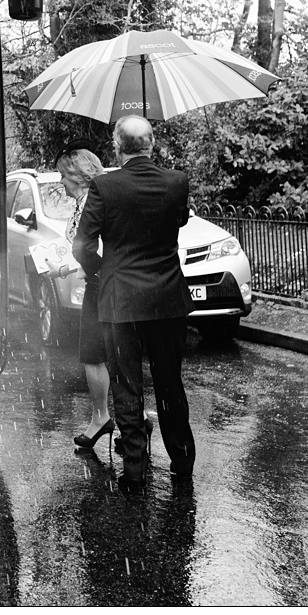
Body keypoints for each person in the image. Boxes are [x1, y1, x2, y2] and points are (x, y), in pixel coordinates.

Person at [73, 115, 195, 495]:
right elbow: (178, 222)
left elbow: (82, 245)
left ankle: (136, 472)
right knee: (169, 383)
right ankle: (183, 463)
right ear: (152, 143)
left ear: (116, 147)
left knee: (127, 385)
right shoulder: (176, 182)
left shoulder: (104, 187)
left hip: (120, 300)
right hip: (166, 300)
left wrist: (100, 273)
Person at [54, 148, 113, 451]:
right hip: (101, 282)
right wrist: (65, 267)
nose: (60, 181)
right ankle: (135, 416)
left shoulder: (92, 202)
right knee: (114, 351)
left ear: (76, 176)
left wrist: (70, 269)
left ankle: (101, 416)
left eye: (63, 175)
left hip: (100, 285)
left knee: (94, 352)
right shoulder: (85, 201)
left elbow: (96, 251)